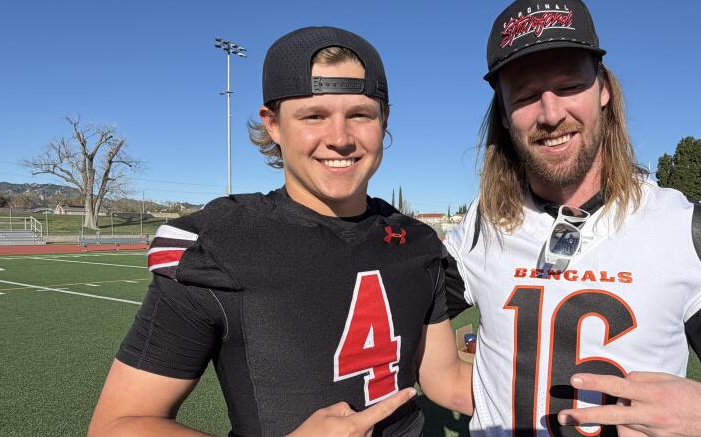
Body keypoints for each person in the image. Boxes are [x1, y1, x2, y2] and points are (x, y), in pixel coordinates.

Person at [90, 27, 472, 437]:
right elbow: (117, 425)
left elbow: (445, 380)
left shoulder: (415, 241)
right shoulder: (222, 243)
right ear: (272, 125)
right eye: (313, 116)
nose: (340, 139)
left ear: (384, 120)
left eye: (360, 115)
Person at [443, 0, 701, 437]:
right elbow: (400, 307)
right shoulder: (485, 224)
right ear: (505, 111)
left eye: (569, 86)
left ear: (604, 89)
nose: (551, 114)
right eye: (527, 95)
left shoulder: (680, 226)